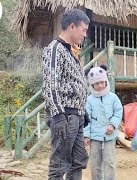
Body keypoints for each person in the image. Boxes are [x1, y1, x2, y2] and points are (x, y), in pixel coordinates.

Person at [42, 9, 90, 180]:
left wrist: (82, 111)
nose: (85, 34)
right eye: (83, 30)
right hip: (64, 116)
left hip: (76, 115)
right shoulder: (55, 49)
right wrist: (58, 115)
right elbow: (51, 84)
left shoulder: (72, 52)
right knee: (59, 165)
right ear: (72, 26)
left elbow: (75, 83)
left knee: (78, 160)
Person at [83, 65, 123, 180]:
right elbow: (86, 119)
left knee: (109, 162)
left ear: (106, 81)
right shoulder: (89, 100)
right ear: (92, 84)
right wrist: (86, 135)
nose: (100, 85)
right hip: (95, 137)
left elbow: (118, 112)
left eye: (102, 82)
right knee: (95, 164)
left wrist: (112, 124)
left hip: (110, 136)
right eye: (97, 83)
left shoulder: (113, 97)